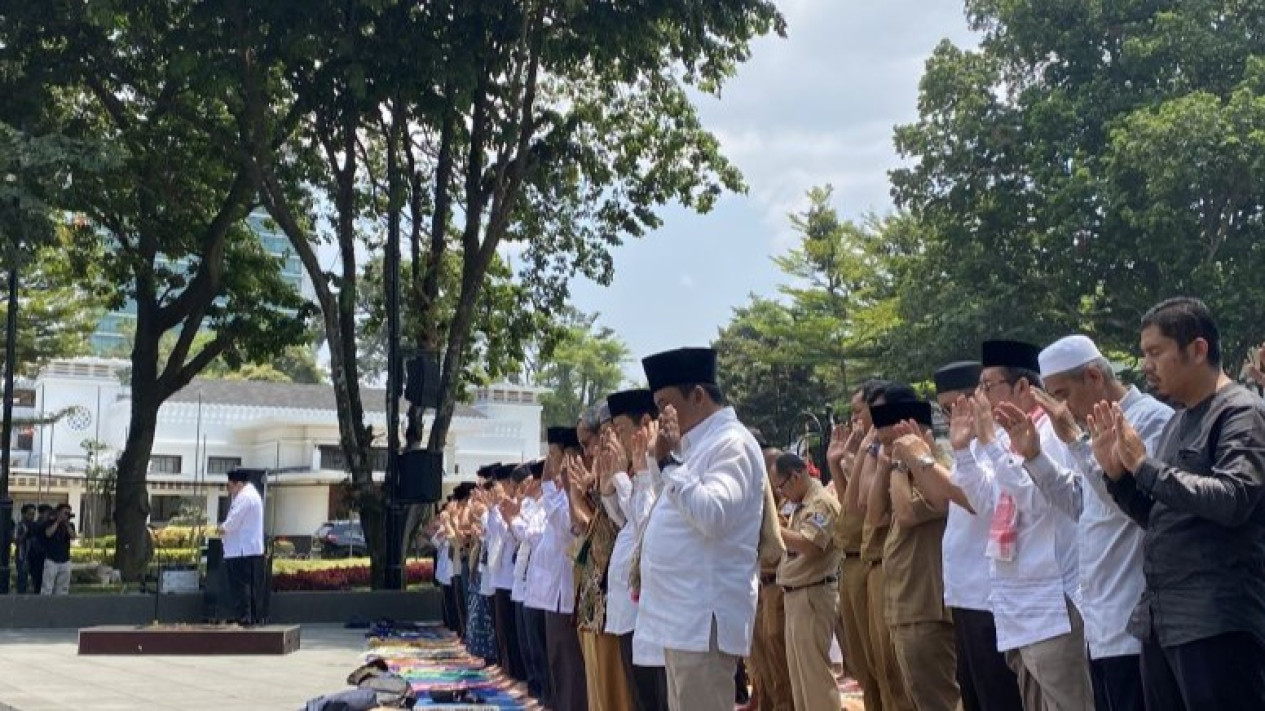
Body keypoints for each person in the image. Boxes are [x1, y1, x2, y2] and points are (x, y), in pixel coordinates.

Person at [1091, 297, 1265, 710]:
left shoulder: (1242, 413)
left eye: (1155, 352)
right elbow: (1162, 520)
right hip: (1164, 623)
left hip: (1217, 622)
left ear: (1198, 349)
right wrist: (1118, 476)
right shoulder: (1178, 421)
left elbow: (1234, 498)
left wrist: (1144, 466)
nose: (1146, 364)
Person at [1013, 334, 1173, 711]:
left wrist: (1075, 443)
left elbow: (1131, 505)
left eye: (1063, 394)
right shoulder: (1086, 432)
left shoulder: (1150, 420)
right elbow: (1081, 505)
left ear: (1094, 377)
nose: (1061, 409)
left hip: (1135, 621)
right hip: (1101, 622)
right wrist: (1035, 457)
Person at [634, 347, 764, 711]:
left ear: (698, 395)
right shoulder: (694, 446)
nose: (662, 417)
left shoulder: (732, 443)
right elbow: (672, 510)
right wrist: (663, 463)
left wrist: (672, 462)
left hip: (703, 614)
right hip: (680, 615)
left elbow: (713, 515)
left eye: (665, 404)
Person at [964, 340, 1092, 710]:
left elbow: (1039, 500)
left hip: (1052, 602)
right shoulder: (1004, 437)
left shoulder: (1052, 432)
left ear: (1022, 387)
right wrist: (964, 450)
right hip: (1015, 603)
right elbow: (984, 502)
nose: (981, 398)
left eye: (988, 387)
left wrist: (989, 442)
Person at [933, 362, 1024, 711]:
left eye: (957, 405)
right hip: (964, 592)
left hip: (990, 592)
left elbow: (981, 503)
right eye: (944, 410)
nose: (952, 415)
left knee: (998, 696)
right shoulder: (965, 447)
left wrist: (924, 461)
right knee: (974, 695)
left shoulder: (1000, 440)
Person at [874, 398, 961, 711]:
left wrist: (902, 462)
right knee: (916, 699)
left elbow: (908, 514)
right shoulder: (903, 472)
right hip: (904, 604)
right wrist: (887, 462)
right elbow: (871, 514)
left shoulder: (937, 470)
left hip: (925, 606)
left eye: (889, 442)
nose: (885, 450)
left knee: (938, 700)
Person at [604, 389, 669, 711]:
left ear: (645, 424)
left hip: (657, 606)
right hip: (634, 606)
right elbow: (628, 523)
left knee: (656, 695)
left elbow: (647, 526)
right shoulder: (640, 469)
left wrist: (629, 475)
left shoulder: (662, 465)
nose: (616, 440)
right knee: (642, 693)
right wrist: (612, 483)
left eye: (621, 431)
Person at [525, 427, 588, 711]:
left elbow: (566, 529)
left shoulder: (575, 493)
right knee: (556, 662)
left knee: (570, 667)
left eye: (555, 455)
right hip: (553, 593)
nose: (550, 464)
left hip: (569, 594)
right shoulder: (560, 494)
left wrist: (551, 486)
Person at [774, 452, 842, 711]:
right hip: (796, 594)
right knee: (800, 678)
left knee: (815, 676)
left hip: (812, 594)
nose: (782, 493)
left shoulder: (821, 502)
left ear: (796, 476)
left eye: (782, 486)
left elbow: (811, 545)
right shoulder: (801, 503)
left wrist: (775, 529)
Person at [218, 469, 265, 625]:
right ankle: (250, 617)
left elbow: (232, 522)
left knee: (241, 587)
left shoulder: (245, 497)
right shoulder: (251, 495)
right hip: (247, 549)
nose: (228, 489)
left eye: (229, 485)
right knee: (249, 586)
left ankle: (245, 618)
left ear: (238, 484)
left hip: (242, 550)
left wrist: (220, 528)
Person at [40, 503, 75, 596]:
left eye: (68, 513)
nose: (67, 515)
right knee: (47, 586)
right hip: (52, 559)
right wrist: (57, 521)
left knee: (63, 587)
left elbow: (73, 536)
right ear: (59, 513)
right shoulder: (50, 522)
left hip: (65, 559)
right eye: (65, 513)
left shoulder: (70, 525)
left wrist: (67, 525)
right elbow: (48, 534)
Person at [14, 504, 36, 595]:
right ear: (23, 514)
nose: (32, 517)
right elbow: (16, 541)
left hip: (34, 556)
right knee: (22, 579)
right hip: (22, 556)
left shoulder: (34, 525)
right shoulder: (19, 526)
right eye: (29, 514)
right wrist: (26, 533)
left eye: (33, 514)